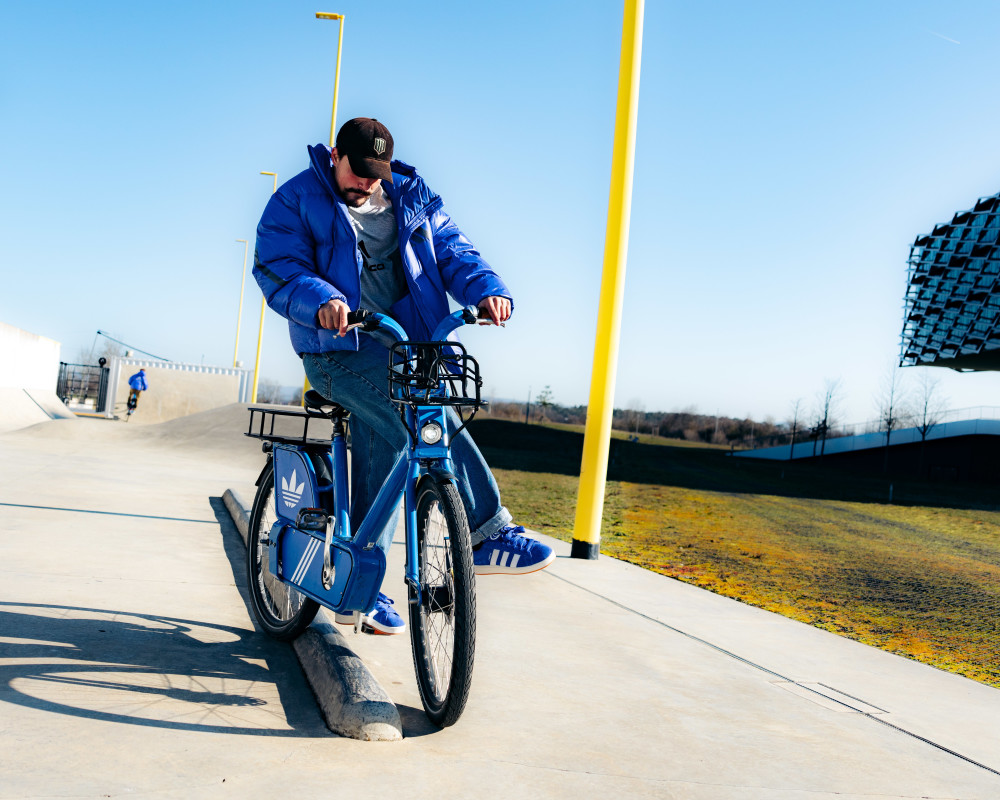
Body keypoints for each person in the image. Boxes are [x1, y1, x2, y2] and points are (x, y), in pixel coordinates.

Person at [254, 117, 554, 635]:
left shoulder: (413, 198)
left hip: (406, 349)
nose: (365, 183)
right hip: (337, 352)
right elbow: (277, 266)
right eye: (357, 171)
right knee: (422, 415)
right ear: (334, 157)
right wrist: (321, 299)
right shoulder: (295, 200)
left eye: (375, 173)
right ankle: (484, 530)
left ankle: (358, 587)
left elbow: (455, 252)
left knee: (397, 442)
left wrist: (486, 288)